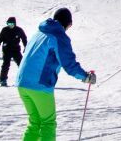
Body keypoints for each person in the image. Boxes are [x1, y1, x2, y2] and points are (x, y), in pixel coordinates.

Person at [16, 8, 95, 140]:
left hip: (22, 83)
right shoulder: (58, 36)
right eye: (70, 24)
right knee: (48, 123)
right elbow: (68, 63)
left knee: (35, 122)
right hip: (39, 85)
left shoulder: (40, 31)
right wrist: (86, 77)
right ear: (67, 23)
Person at [0, 16, 28, 86]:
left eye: (12, 24)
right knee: (6, 65)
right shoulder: (4, 30)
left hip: (16, 50)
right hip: (6, 50)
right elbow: (0, 38)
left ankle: (24, 79)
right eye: (9, 24)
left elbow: (24, 38)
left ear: (15, 24)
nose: (10, 26)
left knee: (21, 64)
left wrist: (26, 46)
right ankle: (3, 80)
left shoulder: (19, 30)